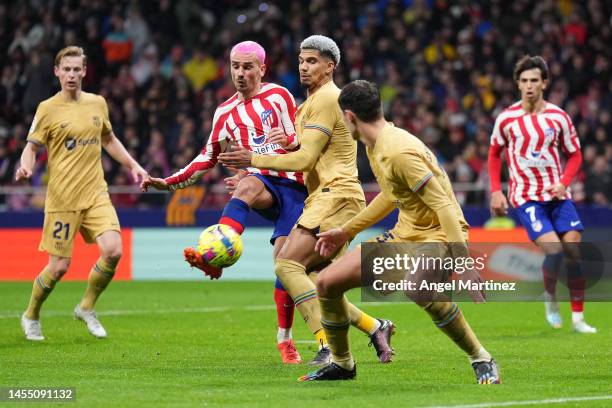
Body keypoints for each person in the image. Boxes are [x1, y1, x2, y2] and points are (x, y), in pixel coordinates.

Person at [297, 80, 500, 383]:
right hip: (406, 234)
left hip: (441, 234)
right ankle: (342, 364)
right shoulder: (375, 144)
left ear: (349, 117)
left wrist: (464, 265)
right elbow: (390, 196)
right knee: (327, 283)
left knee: (417, 287)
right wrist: (345, 231)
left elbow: (444, 205)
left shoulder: (398, 150)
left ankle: (481, 357)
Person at [219, 36, 395, 366]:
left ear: (330, 67)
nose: (303, 66)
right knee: (318, 281)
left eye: (312, 61)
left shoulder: (327, 98)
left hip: (334, 197)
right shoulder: (311, 104)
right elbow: (307, 148)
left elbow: (305, 160)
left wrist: (253, 159)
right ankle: (376, 327)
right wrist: (286, 142)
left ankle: (329, 346)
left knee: (287, 264)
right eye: (301, 60)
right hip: (330, 197)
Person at [141, 41, 304, 364]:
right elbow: (206, 157)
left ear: (262, 69)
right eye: (235, 66)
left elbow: (303, 137)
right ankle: (218, 254)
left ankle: (285, 339)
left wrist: (287, 141)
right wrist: (168, 182)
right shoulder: (224, 113)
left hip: (298, 186)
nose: (240, 73)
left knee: (285, 267)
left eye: (247, 67)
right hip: (264, 183)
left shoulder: (279, 96)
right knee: (244, 187)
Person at [16, 46, 148, 341]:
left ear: (84, 72)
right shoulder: (47, 108)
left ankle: (86, 307)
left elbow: (109, 139)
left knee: (114, 250)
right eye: (67, 69)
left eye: (77, 69)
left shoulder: (97, 103)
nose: (72, 75)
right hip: (62, 199)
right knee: (59, 267)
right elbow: (31, 147)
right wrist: (25, 168)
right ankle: (31, 314)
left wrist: (134, 166)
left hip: (96, 194)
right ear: (57, 72)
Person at [488, 55, 596, 333]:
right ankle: (549, 297)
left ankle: (579, 318)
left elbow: (574, 154)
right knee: (554, 249)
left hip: (558, 195)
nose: (529, 86)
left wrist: (563, 181)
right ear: (517, 84)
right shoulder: (507, 118)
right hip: (526, 196)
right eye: (524, 81)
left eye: (534, 80)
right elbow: (494, 153)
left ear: (544, 83)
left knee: (572, 251)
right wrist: (496, 191)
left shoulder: (558, 117)